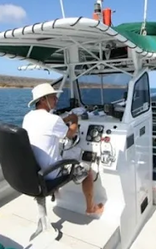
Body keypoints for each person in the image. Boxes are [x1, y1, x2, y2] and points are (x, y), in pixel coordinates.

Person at [23, 84, 103, 215]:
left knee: (63, 152)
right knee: (88, 170)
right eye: (53, 97)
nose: (56, 99)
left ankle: (55, 191)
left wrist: (65, 119)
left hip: (35, 172)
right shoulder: (52, 120)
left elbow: (49, 124)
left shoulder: (28, 117)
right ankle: (91, 208)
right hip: (52, 173)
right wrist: (75, 120)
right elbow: (71, 134)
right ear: (43, 99)